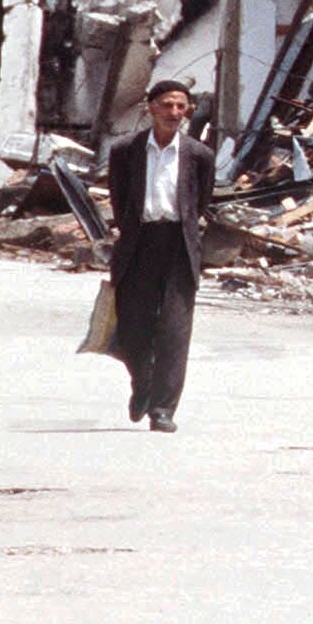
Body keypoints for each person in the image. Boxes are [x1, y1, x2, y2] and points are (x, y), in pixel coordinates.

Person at [105, 79, 215, 432]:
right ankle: (142, 385)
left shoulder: (199, 155)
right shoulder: (126, 150)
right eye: (167, 105)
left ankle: (163, 408)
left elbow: (201, 202)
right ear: (150, 107)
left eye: (181, 106)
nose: (174, 113)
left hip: (178, 246)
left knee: (174, 330)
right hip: (138, 243)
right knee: (134, 327)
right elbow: (119, 198)